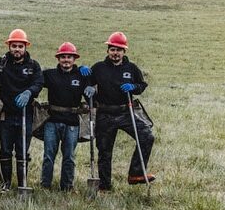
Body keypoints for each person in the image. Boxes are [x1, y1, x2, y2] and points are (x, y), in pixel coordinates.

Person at [89, 31, 155, 190]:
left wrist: (134, 87)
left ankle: (136, 174)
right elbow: (87, 86)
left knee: (147, 136)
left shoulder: (131, 68)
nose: (115, 53)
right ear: (107, 51)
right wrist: (88, 85)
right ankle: (105, 186)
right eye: (112, 49)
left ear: (124, 51)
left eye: (119, 49)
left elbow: (141, 85)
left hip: (125, 112)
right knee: (104, 151)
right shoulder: (98, 68)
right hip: (104, 114)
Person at [0, 29, 43, 191]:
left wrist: (29, 92)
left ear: (25, 47)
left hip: (25, 115)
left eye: (20, 46)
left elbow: (39, 82)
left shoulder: (33, 66)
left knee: (23, 151)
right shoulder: (1, 64)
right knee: (6, 150)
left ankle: (23, 184)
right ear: (9, 46)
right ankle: (6, 184)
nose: (17, 49)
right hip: (5, 116)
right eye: (14, 46)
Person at [40, 41, 90, 191]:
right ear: (58, 58)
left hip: (72, 122)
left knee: (69, 157)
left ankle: (67, 187)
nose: (66, 60)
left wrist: (90, 84)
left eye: (69, 57)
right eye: (63, 57)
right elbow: (35, 80)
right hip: (52, 121)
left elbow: (92, 89)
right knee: (49, 155)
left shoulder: (81, 76)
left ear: (75, 59)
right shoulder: (49, 75)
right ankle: (45, 185)